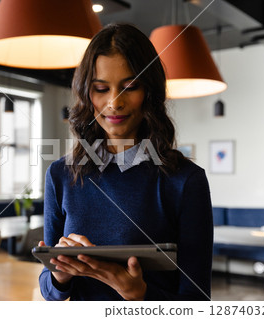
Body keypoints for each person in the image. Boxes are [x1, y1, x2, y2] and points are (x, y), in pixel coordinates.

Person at [38, 23, 213, 301]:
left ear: (150, 92)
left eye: (130, 87)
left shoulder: (185, 180)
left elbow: (197, 299)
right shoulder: (60, 174)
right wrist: (60, 274)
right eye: (101, 88)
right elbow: (49, 290)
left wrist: (140, 294)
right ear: (86, 94)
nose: (114, 103)